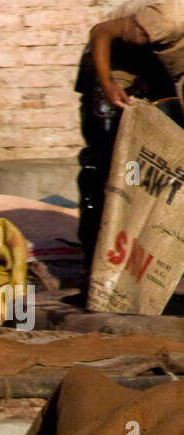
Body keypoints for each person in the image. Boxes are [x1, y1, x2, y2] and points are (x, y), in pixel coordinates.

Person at [81, 2, 184, 296]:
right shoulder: (165, 19)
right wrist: (108, 84)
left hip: (154, 73)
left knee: (148, 173)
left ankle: (143, 266)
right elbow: (100, 32)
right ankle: (94, 271)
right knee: (106, 167)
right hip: (109, 66)